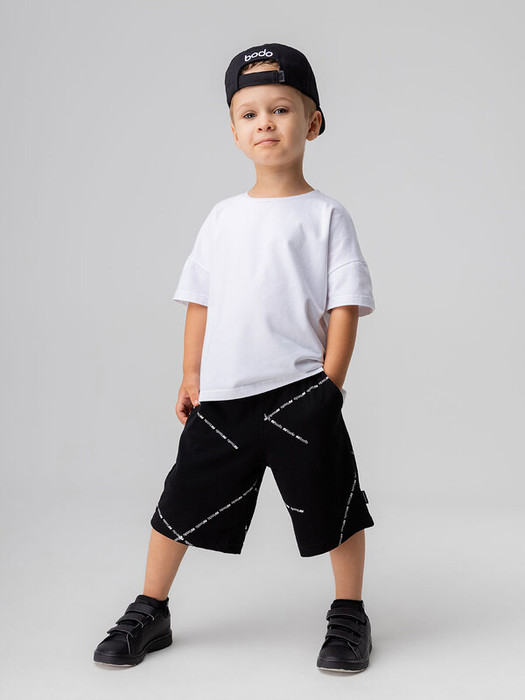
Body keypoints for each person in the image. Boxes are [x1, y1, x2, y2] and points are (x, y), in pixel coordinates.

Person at [93, 42, 376, 674]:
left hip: (301, 393)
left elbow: (345, 305)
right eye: (249, 114)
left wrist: (330, 386)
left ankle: (350, 613)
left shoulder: (326, 215)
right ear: (233, 131)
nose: (265, 123)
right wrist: (191, 374)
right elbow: (200, 300)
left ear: (313, 122)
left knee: (334, 504)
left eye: (281, 109)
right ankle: (151, 608)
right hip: (223, 394)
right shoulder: (222, 218)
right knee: (178, 503)